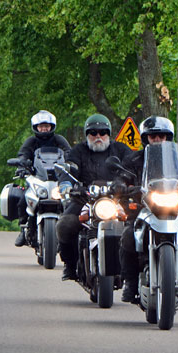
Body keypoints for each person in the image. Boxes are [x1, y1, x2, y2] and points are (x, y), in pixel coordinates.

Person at [118, 115, 178, 305]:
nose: (157, 140)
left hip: (174, 209)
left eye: (162, 136)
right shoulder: (135, 159)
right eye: (153, 136)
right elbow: (122, 176)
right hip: (142, 209)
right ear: (146, 138)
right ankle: (129, 282)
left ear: (168, 138)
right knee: (128, 236)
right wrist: (120, 185)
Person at [56, 113, 135, 281]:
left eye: (102, 132)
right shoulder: (79, 151)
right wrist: (66, 185)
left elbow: (132, 168)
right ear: (87, 135)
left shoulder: (121, 150)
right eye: (93, 132)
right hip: (84, 198)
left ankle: (133, 273)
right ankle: (70, 265)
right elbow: (69, 169)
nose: (98, 136)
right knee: (65, 224)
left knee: (136, 226)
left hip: (117, 199)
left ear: (109, 133)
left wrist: (130, 184)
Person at [13, 110, 71, 246]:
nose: (44, 129)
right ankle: (23, 228)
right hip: (37, 178)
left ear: (51, 127)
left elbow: (69, 152)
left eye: (46, 126)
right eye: (41, 126)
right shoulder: (31, 141)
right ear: (36, 127)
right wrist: (22, 165)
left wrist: (71, 163)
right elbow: (23, 154)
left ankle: (69, 233)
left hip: (57, 178)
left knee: (70, 201)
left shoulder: (59, 140)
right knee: (23, 200)